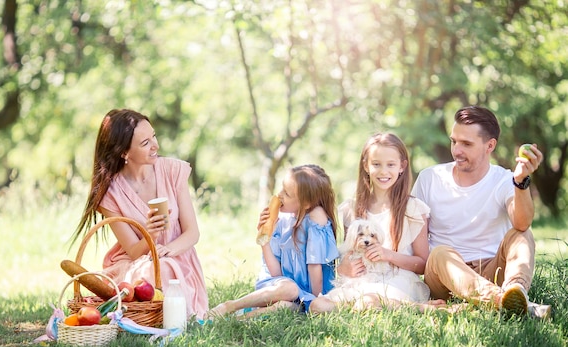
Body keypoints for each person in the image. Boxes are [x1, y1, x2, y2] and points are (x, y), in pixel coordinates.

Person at [72, 109, 208, 319]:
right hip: (136, 261)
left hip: (176, 256)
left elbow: (192, 233)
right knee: (144, 274)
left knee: (161, 269)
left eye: (153, 136)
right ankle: (143, 316)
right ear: (124, 153)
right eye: (145, 143)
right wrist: (150, 234)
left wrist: (166, 250)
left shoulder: (172, 171)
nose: (156, 146)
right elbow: (135, 253)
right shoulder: (110, 194)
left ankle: (154, 315)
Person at [411, 105, 546, 317]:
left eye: (466, 144)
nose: (456, 150)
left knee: (521, 235)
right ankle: (505, 302)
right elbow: (416, 245)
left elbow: (522, 223)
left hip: (491, 270)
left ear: (489, 145)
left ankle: (516, 291)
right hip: (443, 277)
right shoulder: (430, 178)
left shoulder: (503, 180)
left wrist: (520, 182)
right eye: (454, 141)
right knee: (439, 254)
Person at [310, 133, 440, 314]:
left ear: (402, 166)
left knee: (368, 302)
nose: (383, 171)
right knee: (317, 306)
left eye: (391, 165)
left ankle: (417, 308)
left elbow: (423, 264)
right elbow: (349, 251)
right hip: (361, 280)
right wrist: (344, 268)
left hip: (397, 279)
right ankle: (362, 307)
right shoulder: (352, 208)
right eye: (376, 164)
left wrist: (388, 255)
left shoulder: (413, 209)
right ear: (366, 165)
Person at [208, 164, 339, 318]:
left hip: (308, 295)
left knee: (287, 306)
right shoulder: (279, 220)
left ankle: (240, 318)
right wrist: (264, 239)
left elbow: (315, 266)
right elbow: (276, 274)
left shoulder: (316, 218)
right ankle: (231, 306)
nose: (280, 195)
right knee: (290, 289)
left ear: (306, 204)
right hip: (278, 287)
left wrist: (315, 301)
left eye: (287, 194)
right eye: (282, 188)